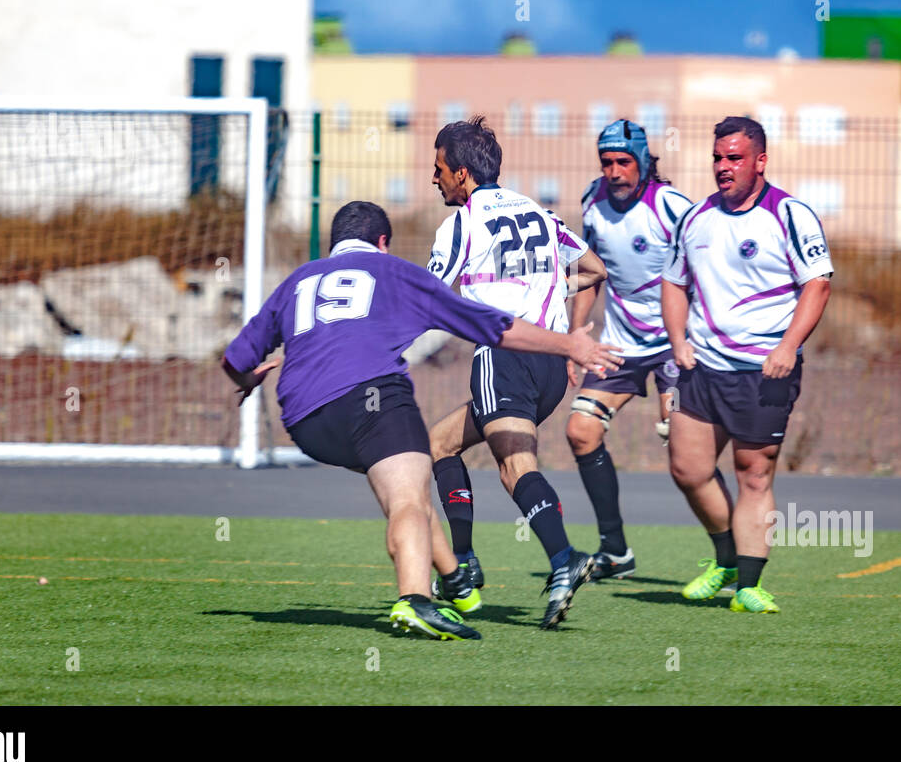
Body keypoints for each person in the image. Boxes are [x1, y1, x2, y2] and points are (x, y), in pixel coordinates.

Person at [220, 200, 620, 641]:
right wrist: (567, 345)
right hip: (371, 398)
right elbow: (493, 326)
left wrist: (248, 378)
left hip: (304, 420)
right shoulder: (394, 273)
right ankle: (415, 600)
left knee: (410, 477)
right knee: (408, 497)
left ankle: (455, 575)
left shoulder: (296, 281)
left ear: (334, 244)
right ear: (383, 242)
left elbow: (236, 358)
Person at [425, 116, 612, 629]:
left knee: (514, 469)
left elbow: (427, 297)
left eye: (439, 168)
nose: (434, 178)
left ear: (462, 174)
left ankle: (563, 559)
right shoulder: (540, 213)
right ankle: (462, 561)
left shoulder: (461, 224)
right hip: (550, 365)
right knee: (440, 444)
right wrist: (550, 291)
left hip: (504, 358)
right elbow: (595, 269)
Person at [661, 116, 833, 614]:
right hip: (703, 368)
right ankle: (726, 557)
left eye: (734, 157)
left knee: (752, 474)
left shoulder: (791, 214)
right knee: (687, 468)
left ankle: (749, 586)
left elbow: (818, 284)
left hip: (765, 372)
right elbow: (673, 282)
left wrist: (788, 346)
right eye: (717, 157)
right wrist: (677, 340)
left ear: (760, 161)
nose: (723, 166)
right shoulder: (696, 219)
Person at [565, 119, 694, 580]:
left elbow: (706, 267)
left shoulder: (672, 206)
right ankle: (615, 551)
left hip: (675, 344)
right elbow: (591, 272)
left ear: (643, 162)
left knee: (682, 448)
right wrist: (576, 336)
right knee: (581, 430)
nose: (615, 171)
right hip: (620, 343)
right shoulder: (592, 203)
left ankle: (729, 554)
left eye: (624, 162)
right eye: (607, 162)